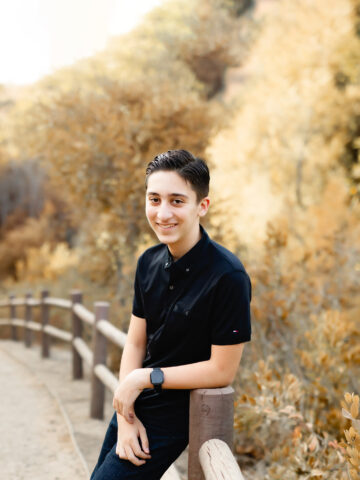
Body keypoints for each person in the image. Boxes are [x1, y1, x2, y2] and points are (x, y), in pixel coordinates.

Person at [90, 149, 252, 480]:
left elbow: (222, 370)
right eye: (154, 199)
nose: (163, 213)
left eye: (177, 201)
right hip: (134, 405)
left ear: (201, 206)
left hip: (175, 414)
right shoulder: (147, 262)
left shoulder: (229, 276)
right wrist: (125, 417)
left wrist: (143, 379)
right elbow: (135, 344)